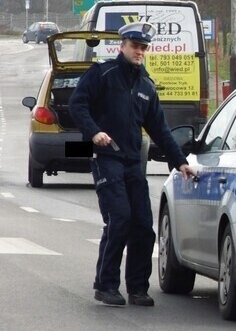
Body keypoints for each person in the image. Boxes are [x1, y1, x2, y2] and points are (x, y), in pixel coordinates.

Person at [69, 21, 196, 307]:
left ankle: (138, 288)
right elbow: (78, 104)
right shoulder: (103, 74)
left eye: (143, 48)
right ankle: (106, 285)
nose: (139, 52)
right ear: (122, 46)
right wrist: (94, 132)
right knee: (120, 219)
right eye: (135, 46)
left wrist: (180, 162)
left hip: (132, 164)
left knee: (143, 225)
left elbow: (160, 130)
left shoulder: (146, 86)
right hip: (106, 159)